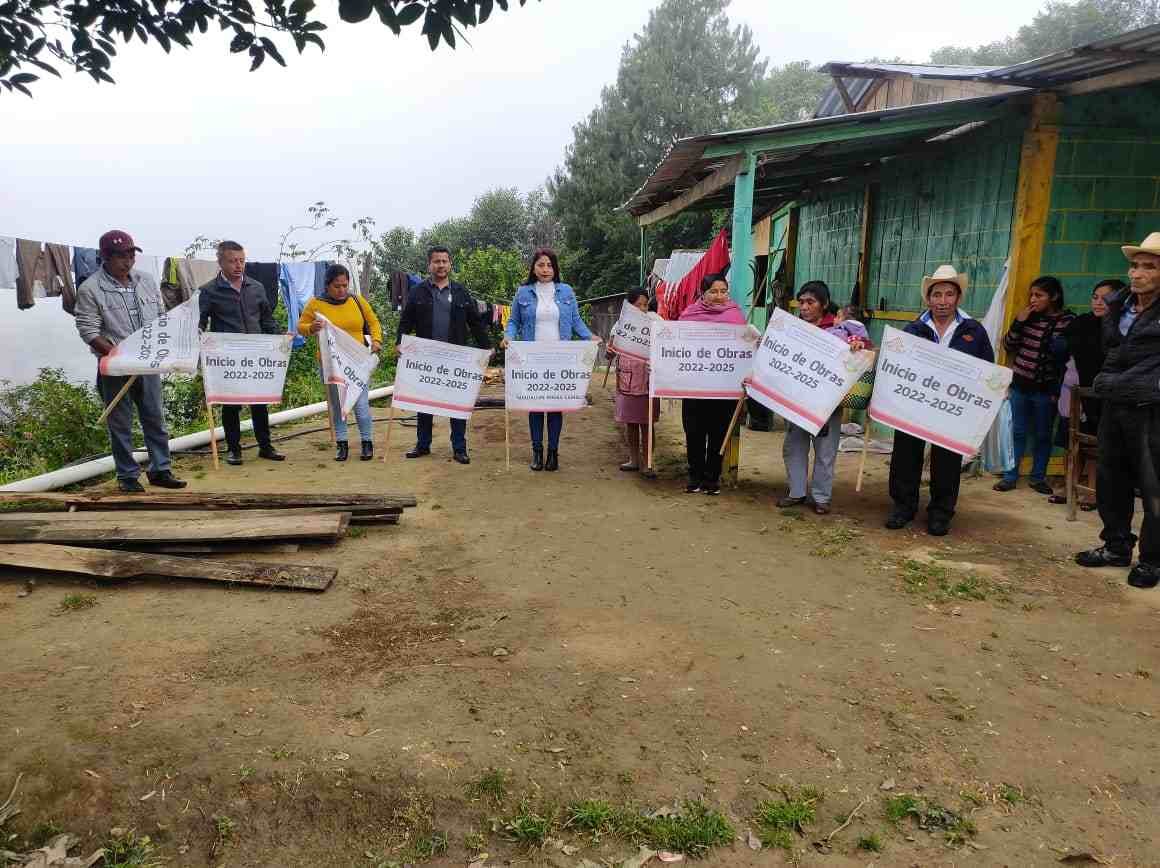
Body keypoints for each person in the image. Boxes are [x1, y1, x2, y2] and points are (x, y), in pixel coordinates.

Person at [1076, 233, 1160, 589]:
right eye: (1135, 265)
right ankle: (1116, 545)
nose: (1137, 273)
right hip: (1115, 404)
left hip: (1151, 408)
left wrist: (1114, 381)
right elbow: (1112, 353)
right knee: (1111, 476)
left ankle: (1153, 561)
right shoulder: (1120, 305)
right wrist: (1109, 381)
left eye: (1149, 267)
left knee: (1153, 483)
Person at [73, 230, 186, 493]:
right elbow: (89, 331)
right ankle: (127, 477)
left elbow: (160, 317)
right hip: (114, 368)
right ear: (105, 257)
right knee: (120, 425)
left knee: (155, 419)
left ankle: (160, 470)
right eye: (120, 256)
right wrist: (118, 356)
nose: (127, 260)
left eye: (131, 254)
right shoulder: (91, 288)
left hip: (147, 366)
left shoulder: (146, 281)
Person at [885, 265, 993, 536]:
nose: (942, 301)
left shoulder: (973, 331)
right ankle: (903, 507)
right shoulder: (914, 328)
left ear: (958, 298)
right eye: (936, 295)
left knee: (947, 459)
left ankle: (940, 513)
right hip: (914, 404)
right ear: (928, 298)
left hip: (951, 408)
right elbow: (896, 362)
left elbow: (987, 369)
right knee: (906, 454)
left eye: (948, 294)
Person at [501, 247, 601, 471]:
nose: (545, 269)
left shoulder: (566, 291)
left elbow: (575, 321)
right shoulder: (523, 292)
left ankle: (553, 453)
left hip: (559, 357)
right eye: (541, 265)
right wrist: (508, 337)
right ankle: (537, 452)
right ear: (533, 268)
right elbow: (514, 321)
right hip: (532, 358)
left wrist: (589, 336)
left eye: (549, 265)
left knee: (556, 405)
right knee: (535, 406)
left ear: (555, 268)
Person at [779, 280, 870, 514]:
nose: (804, 307)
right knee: (794, 446)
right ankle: (796, 492)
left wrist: (859, 346)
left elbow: (867, 349)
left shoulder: (842, 329)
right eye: (801, 302)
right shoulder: (793, 328)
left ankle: (821, 498)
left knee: (825, 450)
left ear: (824, 304)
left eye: (811, 302)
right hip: (798, 400)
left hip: (828, 403)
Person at [395, 245, 492, 464]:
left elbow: (475, 322)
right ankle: (423, 444)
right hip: (426, 359)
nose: (441, 265)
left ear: (450, 264)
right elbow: (406, 322)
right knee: (424, 403)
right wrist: (399, 343)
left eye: (444, 261)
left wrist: (487, 346)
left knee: (457, 403)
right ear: (429, 265)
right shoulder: (417, 292)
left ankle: (459, 448)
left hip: (455, 359)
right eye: (436, 261)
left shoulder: (460, 292)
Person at [198, 240, 286, 466]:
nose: (238, 265)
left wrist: (279, 340)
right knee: (231, 406)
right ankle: (234, 450)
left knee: (260, 403)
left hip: (256, 357)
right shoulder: (209, 291)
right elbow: (199, 323)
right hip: (228, 359)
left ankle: (265, 446)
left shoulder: (256, 287)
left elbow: (267, 319)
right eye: (232, 261)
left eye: (241, 261)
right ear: (220, 262)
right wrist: (201, 341)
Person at [677, 273, 759, 495]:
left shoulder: (736, 317)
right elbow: (676, 348)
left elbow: (743, 351)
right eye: (713, 291)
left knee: (718, 434)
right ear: (703, 293)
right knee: (693, 433)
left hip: (724, 389)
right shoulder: (689, 315)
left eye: (723, 291)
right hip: (694, 387)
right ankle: (694, 477)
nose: (719, 296)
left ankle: (712, 479)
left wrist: (753, 342)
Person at [994, 275, 1074, 494]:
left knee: (1042, 434)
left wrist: (1057, 391)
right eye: (1032, 294)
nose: (1033, 299)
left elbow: (1066, 359)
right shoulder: (1027, 317)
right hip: (1020, 386)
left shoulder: (1068, 322)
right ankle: (1010, 476)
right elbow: (1008, 345)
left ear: (1054, 296)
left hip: (1046, 391)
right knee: (1017, 432)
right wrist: (1019, 322)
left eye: (1039, 295)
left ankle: (1038, 478)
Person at [297, 264, 383, 462]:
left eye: (345, 285)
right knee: (338, 406)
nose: (342, 290)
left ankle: (367, 443)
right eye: (337, 286)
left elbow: (374, 322)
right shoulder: (316, 304)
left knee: (361, 405)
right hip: (331, 364)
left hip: (357, 362)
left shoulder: (357, 301)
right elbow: (300, 326)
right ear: (327, 285)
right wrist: (311, 327)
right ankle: (342, 444)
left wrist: (376, 340)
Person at [1049, 279, 1122, 508]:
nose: (1098, 303)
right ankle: (1068, 485)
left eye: (1105, 298)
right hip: (1071, 392)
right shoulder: (1081, 323)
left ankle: (1091, 490)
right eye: (1095, 297)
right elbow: (1061, 356)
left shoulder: (1120, 328)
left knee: (1095, 443)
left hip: (1100, 396)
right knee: (1069, 441)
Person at [608, 287, 658, 473]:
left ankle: (648, 463)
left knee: (647, 424)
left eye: (645, 305)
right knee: (631, 423)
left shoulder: (656, 323)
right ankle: (633, 460)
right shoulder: (620, 325)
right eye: (638, 305)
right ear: (629, 306)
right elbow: (609, 354)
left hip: (648, 381)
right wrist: (609, 351)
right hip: (626, 381)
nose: (643, 309)